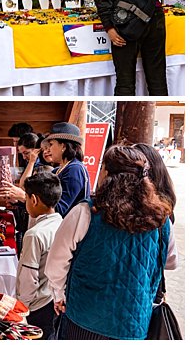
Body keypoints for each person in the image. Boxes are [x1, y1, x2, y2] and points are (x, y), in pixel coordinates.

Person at [46, 145, 176, 340]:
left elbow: (55, 265)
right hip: (134, 326)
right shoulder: (161, 220)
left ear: (106, 173)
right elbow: (170, 261)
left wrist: (59, 294)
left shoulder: (85, 213)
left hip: (84, 319)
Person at [15, 171, 63, 338]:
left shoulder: (34, 235)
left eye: (26, 198)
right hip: (53, 300)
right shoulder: (61, 224)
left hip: (35, 307)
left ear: (33, 200)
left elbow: (29, 278)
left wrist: (21, 308)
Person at [40, 124, 90, 216]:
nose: (49, 149)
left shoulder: (75, 169)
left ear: (63, 146)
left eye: (51, 144)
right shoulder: (57, 171)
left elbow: (60, 209)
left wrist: (24, 197)